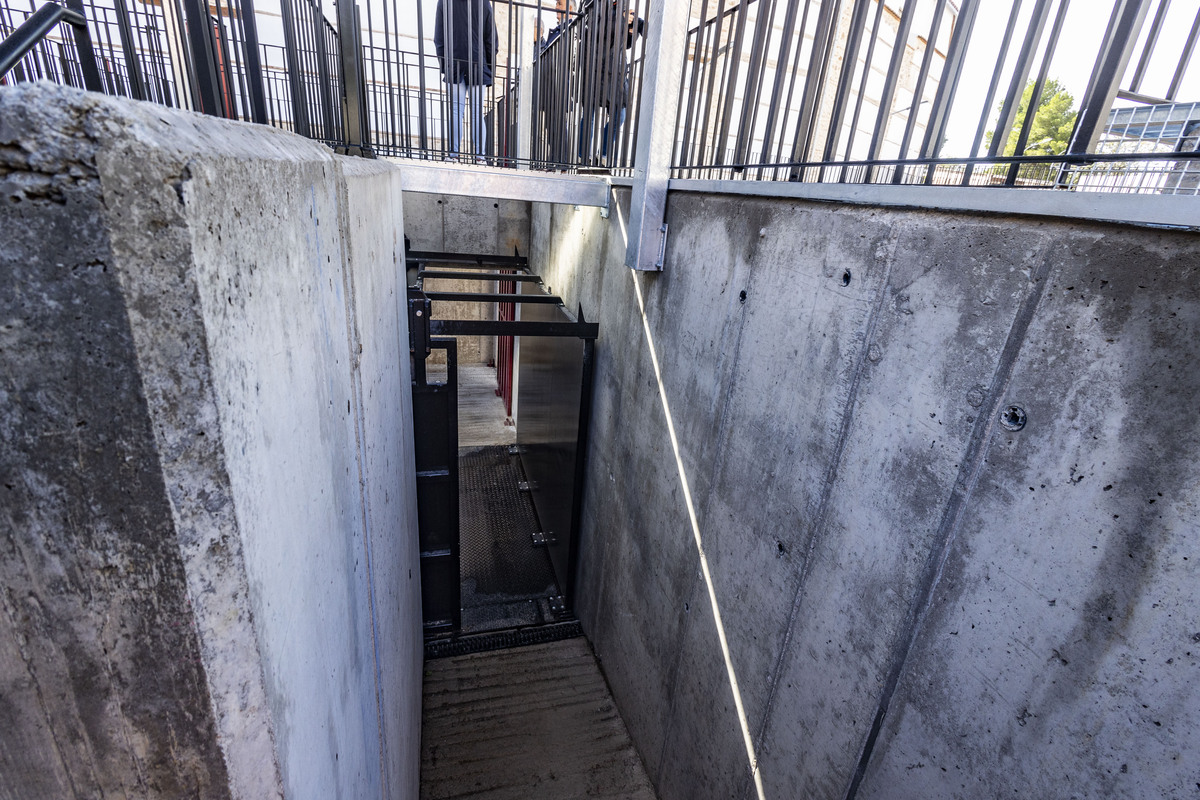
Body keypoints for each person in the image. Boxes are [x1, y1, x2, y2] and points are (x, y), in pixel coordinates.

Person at [577, 0, 643, 167]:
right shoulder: (591, 3)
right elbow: (593, 28)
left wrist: (631, 30)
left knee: (620, 114)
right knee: (590, 115)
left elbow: (625, 44)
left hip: (616, 69)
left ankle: (604, 153)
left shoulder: (622, 5)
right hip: (594, 66)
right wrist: (621, 21)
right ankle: (582, 157)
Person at [434, 0, 498, 161]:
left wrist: (444, 64)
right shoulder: (483, 3)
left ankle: (454, 154)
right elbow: (491, 39)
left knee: (456, 110)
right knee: (477, 112)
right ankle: (480, 157)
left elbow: (439, 39)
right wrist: (488, 65)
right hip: (478, 62)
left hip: (454, 61)